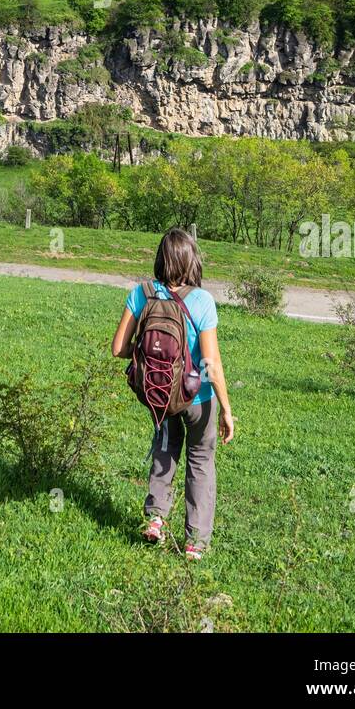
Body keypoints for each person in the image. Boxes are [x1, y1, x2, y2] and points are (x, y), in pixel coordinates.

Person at [111, 227, 234, 559]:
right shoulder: (202, 300)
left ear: (160, 259)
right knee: (201, 461)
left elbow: (118, 349)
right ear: (192, 259)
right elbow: (211, 361)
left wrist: (148, 354)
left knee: (165, 450)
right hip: (198, 398)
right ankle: (195, 541)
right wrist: (225, 408)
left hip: (160, 395)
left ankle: (155, 519)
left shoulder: (143, 293)